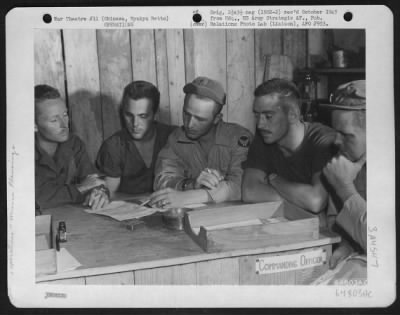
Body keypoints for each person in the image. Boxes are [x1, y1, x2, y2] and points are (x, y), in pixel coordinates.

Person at [150, 76, 252, 208]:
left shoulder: (238, 138)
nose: (190, 124)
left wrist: (188, 196)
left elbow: (243, 186)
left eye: (200, 119)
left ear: (217, 119)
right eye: (186, 114)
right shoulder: (176, 138)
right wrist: (192, 184)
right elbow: (160, 180)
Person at [242, 78, 337, 217]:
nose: (260, 125)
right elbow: (249, 191)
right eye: (257, 116)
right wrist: (300, 201)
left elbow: (316, 201)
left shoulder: (322, 139)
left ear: (293, 114)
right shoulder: (265, 136)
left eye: (268, 116)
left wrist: (274, 180)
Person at [35, 84, 109, 210]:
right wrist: (79, 189)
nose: (64, 125)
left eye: (65, 115)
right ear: (34, 125)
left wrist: (100, 192)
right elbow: (35, 199)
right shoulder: (20, 152)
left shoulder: (74, 143)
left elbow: (92, 177)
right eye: (54, 120)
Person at [96, 81, 176, 197]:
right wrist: (101, 195)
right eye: (129, 115)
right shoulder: (113, 146)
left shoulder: (173, 137)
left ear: (155, 114)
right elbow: (109, 194)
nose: (135, 124)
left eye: (143, 116)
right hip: (128, 211)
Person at [321, 80, 367, 271]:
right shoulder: (344, 162)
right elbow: (336, 221)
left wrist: (345, 189)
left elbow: (383, 242)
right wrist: (347, 245)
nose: (337, 141)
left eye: (346, 135)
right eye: (335, 132)